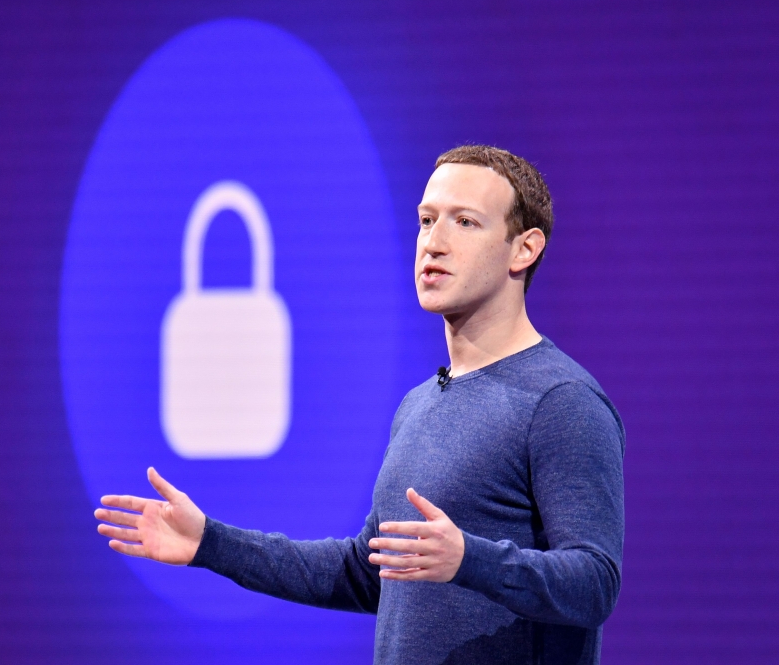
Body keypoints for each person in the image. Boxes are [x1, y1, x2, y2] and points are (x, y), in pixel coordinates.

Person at [94, 145, 625, 665]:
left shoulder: (561, 402)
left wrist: (469, 558)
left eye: (464, 222)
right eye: (425, 220)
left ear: (524, 249)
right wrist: (212, 543)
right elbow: (365, 573)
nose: (433, 243)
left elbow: (594, 584)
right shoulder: (420, 404)